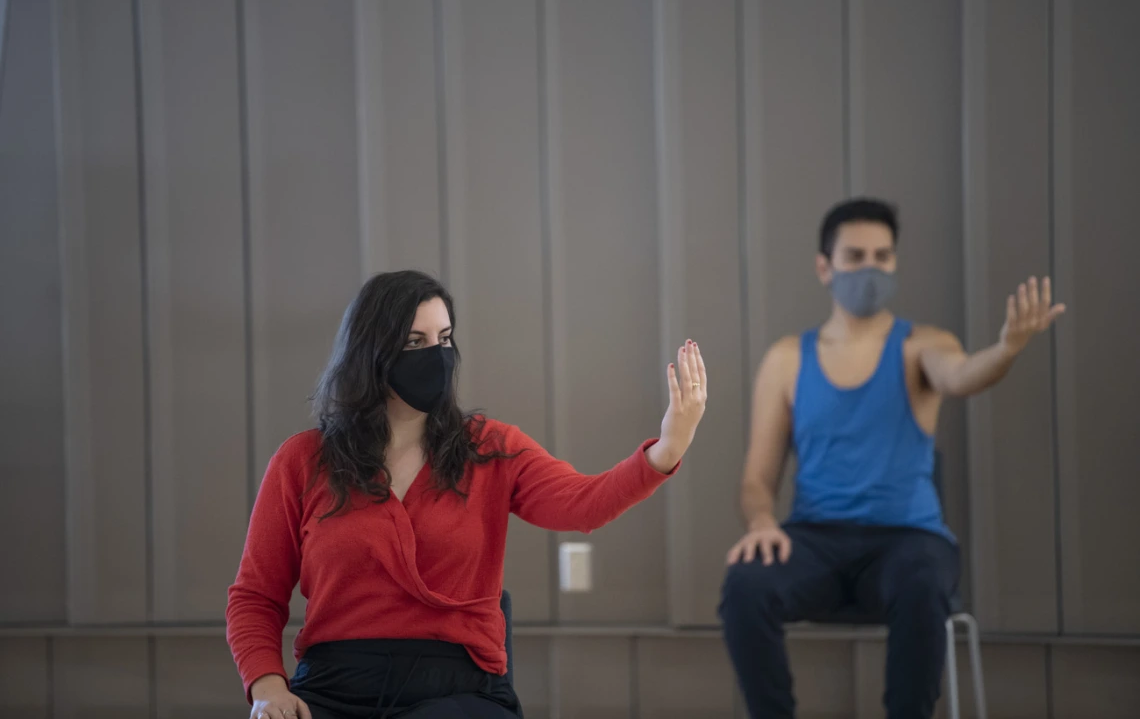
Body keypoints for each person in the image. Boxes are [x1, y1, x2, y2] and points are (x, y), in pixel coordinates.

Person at [227, 270, 708, 719]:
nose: (435, 355)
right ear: (370, 351)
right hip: (334, 684)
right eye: (414, 342)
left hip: (459, 690)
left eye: (444, 339)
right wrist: (267, 687)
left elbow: (583, 504)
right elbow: (255, 596)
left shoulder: (491, 447)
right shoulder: (303, 460)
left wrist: (667, 449)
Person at [718, 198, 1064, 719]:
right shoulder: (787, 359)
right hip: (816, 540)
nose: (870, 269)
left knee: (923, 583)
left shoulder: (921, 345)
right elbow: (756, 478)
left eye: (882, 256)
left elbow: (964, 375)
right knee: (745, 586)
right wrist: (762, 520)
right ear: (824, 266)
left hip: (908, 541)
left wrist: (1007, 349)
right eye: (855, 256)